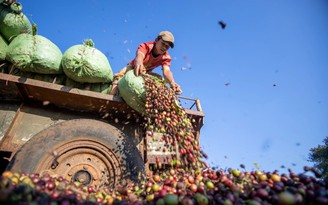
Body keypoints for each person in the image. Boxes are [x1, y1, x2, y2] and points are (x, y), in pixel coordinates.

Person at [110, 31, 182, 95]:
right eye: (163, 44)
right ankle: (112, 94)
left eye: (167, 46)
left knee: (161, 80)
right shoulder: (146, 46)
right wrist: (139, 63)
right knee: (120, 75)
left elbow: (166, 71)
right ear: (156, 40)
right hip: (133, 67)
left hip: (147, 72)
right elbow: (140, 55)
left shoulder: (166, 57)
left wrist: (172, 82)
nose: (164, 47)